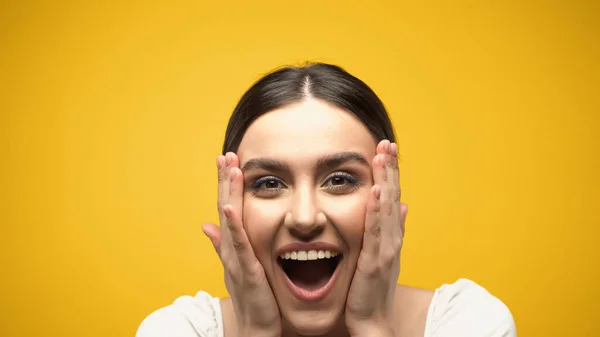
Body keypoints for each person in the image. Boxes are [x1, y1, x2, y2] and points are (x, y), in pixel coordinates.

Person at [136, 63, 516, 337]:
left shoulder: (469, 322)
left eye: (339, 179)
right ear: (230, 203)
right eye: (268, 183)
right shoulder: (177, 330)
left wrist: (371, 326)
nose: (304, 217)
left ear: (387, 194)